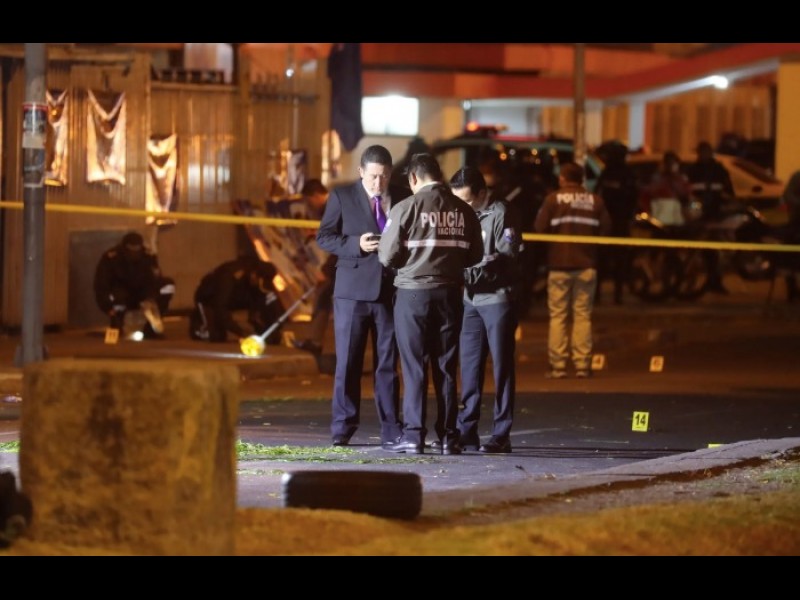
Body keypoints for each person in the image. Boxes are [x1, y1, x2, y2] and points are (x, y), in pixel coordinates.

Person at [378, 152, 483, 454]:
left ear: (413, 177)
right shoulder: (464, 210)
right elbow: (475, 255)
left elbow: (387, 255)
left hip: (412, 294)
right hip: (450, 294)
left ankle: (414, 435)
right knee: (446, 366)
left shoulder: (405, 208)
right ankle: (449, 437)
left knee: (415, 366)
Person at [316, 144, 407, 448]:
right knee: (348, 362)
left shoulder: (403, 196)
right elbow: (324, 236)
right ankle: (343, 426)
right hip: (352, 292)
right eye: (372, 177)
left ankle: (391, 428)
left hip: (390, 291)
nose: (378, 183)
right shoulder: (343, 196)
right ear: (361, 172)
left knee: (387, 364)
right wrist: (356, 244)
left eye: (384, 176)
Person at [448, 166, 522, 454]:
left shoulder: (502, 213)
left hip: (497, 299)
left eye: (467, 200)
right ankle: (467, 430)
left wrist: (471, 268)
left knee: (502, 367)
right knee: (469, 368)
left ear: (482, 193)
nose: (462, 207)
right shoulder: (460, 213)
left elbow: (507, 255)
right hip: (470, 300)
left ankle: (501, 434)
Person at [534, 161, 611, 379]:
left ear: (563, 179)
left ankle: (558, 366)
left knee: (558, 316)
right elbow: (606, 229)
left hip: (558, 264)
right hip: (586, 264)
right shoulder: (595, 201)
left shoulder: (552, 199)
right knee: (583, 315)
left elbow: (539, 227)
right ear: (582, 180)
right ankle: (582, 365)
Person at [93, 231, 175, 339]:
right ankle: (117, 325)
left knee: (168, 286)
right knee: (118, 295)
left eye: (137, 250)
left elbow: (156, 278)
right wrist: (107, 307)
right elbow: (101, 284)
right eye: (131, 250)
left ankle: (151, 328)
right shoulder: (112, 258)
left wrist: (152, 297)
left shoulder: (147, 256)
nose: (134, 254)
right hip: (121, 296)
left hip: (142, 294)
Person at [189, 256, 285, 344]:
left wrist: (272, 330)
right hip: (209, 300)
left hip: (233, 299)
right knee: (215, 336)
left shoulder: (257, 279)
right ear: (254, 275)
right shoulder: (228, 277)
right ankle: (199, 321)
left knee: (271, 336)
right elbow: (220, 307)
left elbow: (270, 302)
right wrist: (241, 332)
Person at [288, 179, 334, 355]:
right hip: (340, 265)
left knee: (326, 299)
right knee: (323, 299)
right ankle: (315, 341)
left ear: (315, 196)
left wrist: (326, 270)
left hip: (341, 265)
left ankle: (316, 342)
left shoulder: (332, 209)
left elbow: (341, 242)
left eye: (308, 201)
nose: (309, 206)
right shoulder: (334, 206)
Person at [685, 141, 735, 294]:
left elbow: (728, 192)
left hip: (715, 215)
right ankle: (690, 282)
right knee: (693, 250)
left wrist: (724, 204)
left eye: (706, 152)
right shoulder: (692, 170)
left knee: (715, 250)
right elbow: (687, 193)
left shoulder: (719, 170)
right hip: (698, 216)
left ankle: (715, 281)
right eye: (702, 152)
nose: (704, 155)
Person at [594, 141, 639, 304]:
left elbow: (632, 198)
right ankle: (606, 294)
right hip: (613, 221)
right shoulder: (611, 172)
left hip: (617, 220)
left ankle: (612, 294)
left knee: (612, 258)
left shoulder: (622, 174)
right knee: (607, 258)